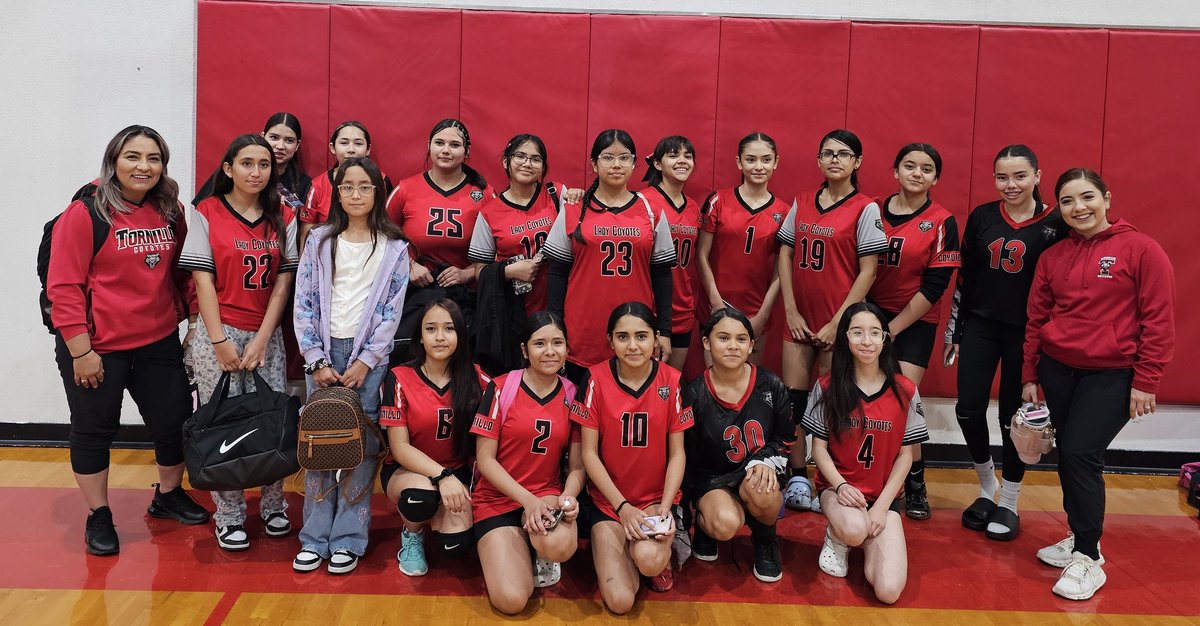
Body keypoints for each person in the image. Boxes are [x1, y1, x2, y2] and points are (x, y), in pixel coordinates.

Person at [47, 124, 209, 555]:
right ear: (114, 161)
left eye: (153, 158)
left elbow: (185, 270)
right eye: (133, 156)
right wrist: (81, 350)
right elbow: (63, 287)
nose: (143, 166)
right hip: (97, 346)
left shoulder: (170, 210)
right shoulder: (85, 213)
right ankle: (98, 513)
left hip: (157, 339)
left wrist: (194, 321)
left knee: (174, 421)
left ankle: (168, 495)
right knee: (94, 429)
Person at [1021, 168, 1175, 601]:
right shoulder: (1053, 256)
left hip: (1113, 373)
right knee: (1069, 456)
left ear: (1106, 198)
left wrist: (1146, 380)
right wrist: (1030, 373)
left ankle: (1088, 557)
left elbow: (1159, 320)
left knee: (1080, 453)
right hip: (1059, 368)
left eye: (1087, 197)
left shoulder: (1142, 249)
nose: (1079, 208)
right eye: (1067, 201)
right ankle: (1079, 536)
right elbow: (1036, 319)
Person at [179, 134, 298, 551]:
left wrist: (264, 338)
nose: (256, 172)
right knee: (222, 424)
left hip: (266, 334)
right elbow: (202, 281)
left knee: (271, 418)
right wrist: (218, 341)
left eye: (264, 164)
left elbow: (283, 282)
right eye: (247, 163)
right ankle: (229, 515)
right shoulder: (206, 211)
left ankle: (274, 504)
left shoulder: (284, 213)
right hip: (220, 332)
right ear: (228, 168)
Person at [291, 156, 410, 574]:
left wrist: (366, 361)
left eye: (364, 187)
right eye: (347, 187)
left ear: (378, 192)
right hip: (324, 354)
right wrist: (315, 360)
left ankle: (348, 537)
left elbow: (391, 312)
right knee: (321, 439)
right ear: (337, 193)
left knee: (363, 443)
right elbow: (303, 302)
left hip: (367, 360)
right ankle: (313, 536)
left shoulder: (395, 248)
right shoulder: (319, 240)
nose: (355, 194)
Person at [948, 145, 1068, 540]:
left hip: (1027, 333)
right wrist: (956, 331)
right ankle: (988, 486)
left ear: (1037, 176)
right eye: (1002, 177)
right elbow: (965, 278)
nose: (1010, 184)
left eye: (1019, 176)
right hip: (981, 326)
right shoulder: (983, 216)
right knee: (968, 408)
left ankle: (1010, 501)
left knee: (1014, 419)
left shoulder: (1058, 223)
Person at [777, 129, 888, 514]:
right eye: (827, 153)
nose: (835, 160)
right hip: (799, 322)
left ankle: (830, 481)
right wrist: (790, 310)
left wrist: (838, 324)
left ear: (857, 162)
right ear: (819, 160)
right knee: (792, 403)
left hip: (838, 325)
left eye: (843, 154)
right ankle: (797, 477)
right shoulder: (803, 201)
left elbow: (869, 271)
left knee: (831, 405)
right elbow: (785, 254)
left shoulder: (865, 208)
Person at [802, 302, 929, 605]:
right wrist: (841, 486)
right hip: (839, 491)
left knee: (888, 591)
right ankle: (838, 535)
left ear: (885, 338)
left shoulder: (906, 390)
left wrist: (882, 507)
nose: (867, 341)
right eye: (857, 332)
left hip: (882, 497)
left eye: (874, 333)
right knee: (855, 528)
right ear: (845, 338)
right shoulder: (827, 386)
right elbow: (818, 450)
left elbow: (906, 456)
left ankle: (862, 534)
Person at [572, 302, 692, 610]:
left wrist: (666, 507)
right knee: (620, 602)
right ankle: (625, 550)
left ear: (655, 339)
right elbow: (589, 454)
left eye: (641, 336)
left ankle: (657, 553)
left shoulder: (672, 381)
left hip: (654, 498)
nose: (633, 345)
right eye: (623, 337)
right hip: (609, 503)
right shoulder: (594, 379)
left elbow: (677, 454)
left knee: (649, 561)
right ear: (610, 341)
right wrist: (622, 507)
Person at [866, 143, 961, 521]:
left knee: (902, 403)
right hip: (870, 316)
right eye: (909, 165)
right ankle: (871, 480)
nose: (917, 173)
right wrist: (870, 323)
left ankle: (916, 483)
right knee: (865, 400)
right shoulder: (872, 209)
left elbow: (936, 287)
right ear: (895, 171)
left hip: (914, 322)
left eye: (926, 168)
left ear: (936, 178)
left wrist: (890, 330)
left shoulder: (942, 221)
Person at [471, 311, 585, 614]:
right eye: (539, 343)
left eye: (557, 343)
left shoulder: (573, 393)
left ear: (567, 348)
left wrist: (568, 498)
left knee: (560, 546)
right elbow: (485, 460)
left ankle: (538, 548)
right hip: (496, 499)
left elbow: (577, 466)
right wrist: (527, 501)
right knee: (511, 601)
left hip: (546, 494)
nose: (549, 351)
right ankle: (515, 546)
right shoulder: (501, 388)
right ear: (524, 350)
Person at [544, 130, 676, 380]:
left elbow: (662, 275)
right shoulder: (574, 209)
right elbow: (557, 274)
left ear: (634, 164)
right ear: (594, 164)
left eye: (624, 158)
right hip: (582, 330)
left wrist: (665, 331)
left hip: (635, 331)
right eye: (608, 157)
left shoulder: (652, 211)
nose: (616, 164)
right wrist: (555, 326)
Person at [682, 308, 794, 582]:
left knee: (762, 490)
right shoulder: (694, 393)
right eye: (723, 338)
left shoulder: (771, 385)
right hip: (714, 479)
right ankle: (707, 526)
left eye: (741, 339)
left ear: (751, 345)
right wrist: (684, 510)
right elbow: (687, 456)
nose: (733, 346)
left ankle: (765, 538)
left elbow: (785, 437)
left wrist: (765, 460)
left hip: (757, 471)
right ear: (706, 342)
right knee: (724, 524)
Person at [380, 299, 486, 577]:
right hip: (407, 471)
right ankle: (412, 534)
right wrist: (443, 477)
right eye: (431, 329)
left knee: (456, 546)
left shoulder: (476, 377)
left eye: (449, 328)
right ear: (419, 336)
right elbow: (399, 448)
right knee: (419, 499)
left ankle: (440, 512)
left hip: (458, 470)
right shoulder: (399, 377)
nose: (440, 336)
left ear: (460, 334)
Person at [387, 119, 494, 353]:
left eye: (454, 145)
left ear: (466, 151)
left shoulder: (484, 193)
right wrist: (409, 264)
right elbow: (382, 236)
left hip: (466, 298)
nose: (446, 150)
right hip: (414, 294)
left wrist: (468, 273)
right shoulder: (405, 189)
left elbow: (501, 246)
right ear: (429, 146)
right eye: (439, 143)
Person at [695, 132, 787, 363]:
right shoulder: (718, 201)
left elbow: (781, 270)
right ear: (739, 162)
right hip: (716, 307)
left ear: (776, 162)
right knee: (714, 378)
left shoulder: (784, 212)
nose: (759, 166)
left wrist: (763, 315)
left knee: (748, 379)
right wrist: (716, 303)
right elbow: (701, 255)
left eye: (766, 160)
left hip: (756, 311)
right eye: (751, 159)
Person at [640, 136, 702, 371]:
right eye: (674, 155)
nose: (682, 161)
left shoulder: (694, 207)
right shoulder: (643, 202)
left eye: (688, 156)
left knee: (671, 381)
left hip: (682, 307)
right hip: (649, 305)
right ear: (657, 163)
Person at [299, 120, 391, 246]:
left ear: (368, 149)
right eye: (344, 143)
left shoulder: (382, 181)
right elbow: (307, 231)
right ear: (332, 147)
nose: (351, 149)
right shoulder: (317, 185)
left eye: (358, 143)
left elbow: (387, 224)